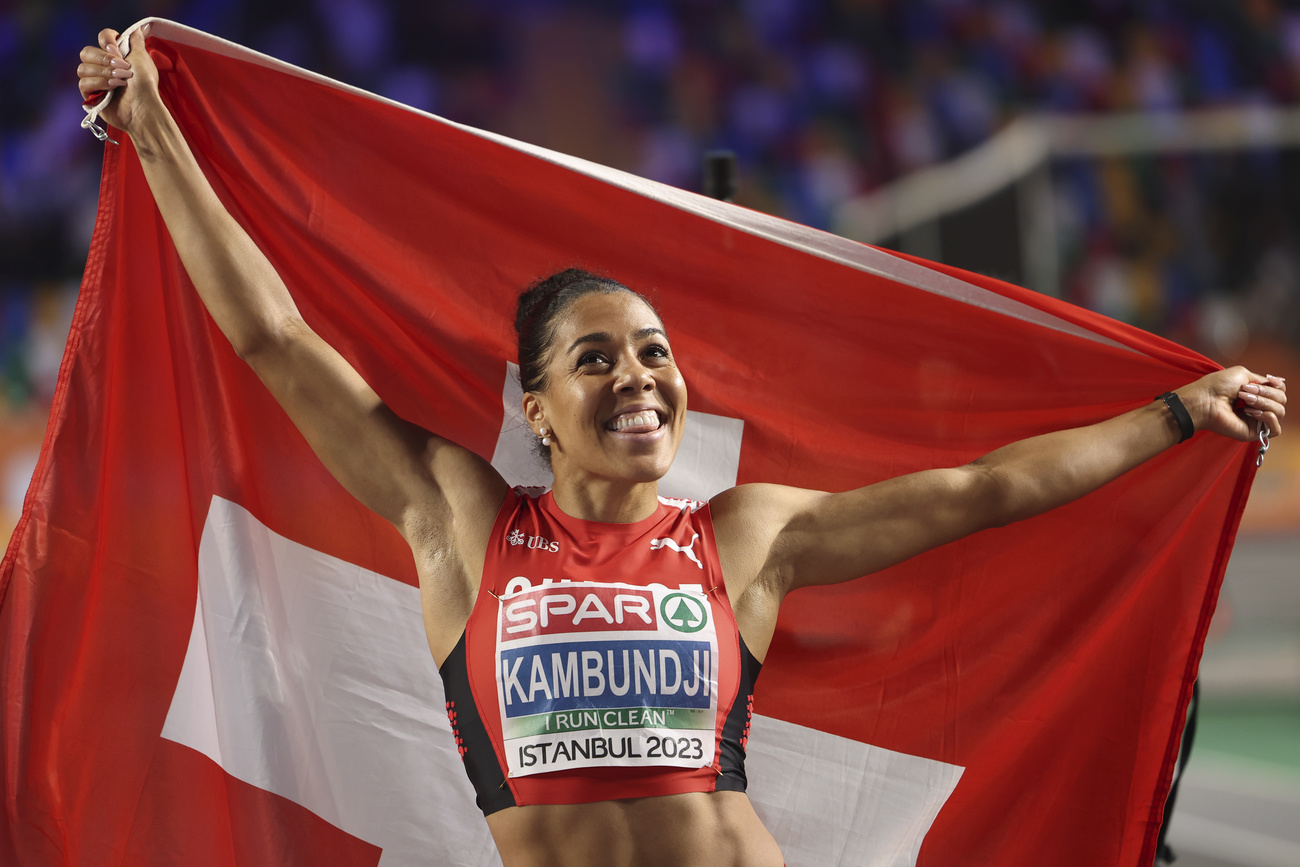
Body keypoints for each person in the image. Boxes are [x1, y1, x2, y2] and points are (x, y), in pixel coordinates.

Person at [78, 26, 1286, 867]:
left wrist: (1177, 413)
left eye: (653, 351)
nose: (639, 377)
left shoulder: (745, 538)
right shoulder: (461, 519)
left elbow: (983, 490)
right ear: (536, 408)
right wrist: (156, 131)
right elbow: (274, 337)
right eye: (594, 358)